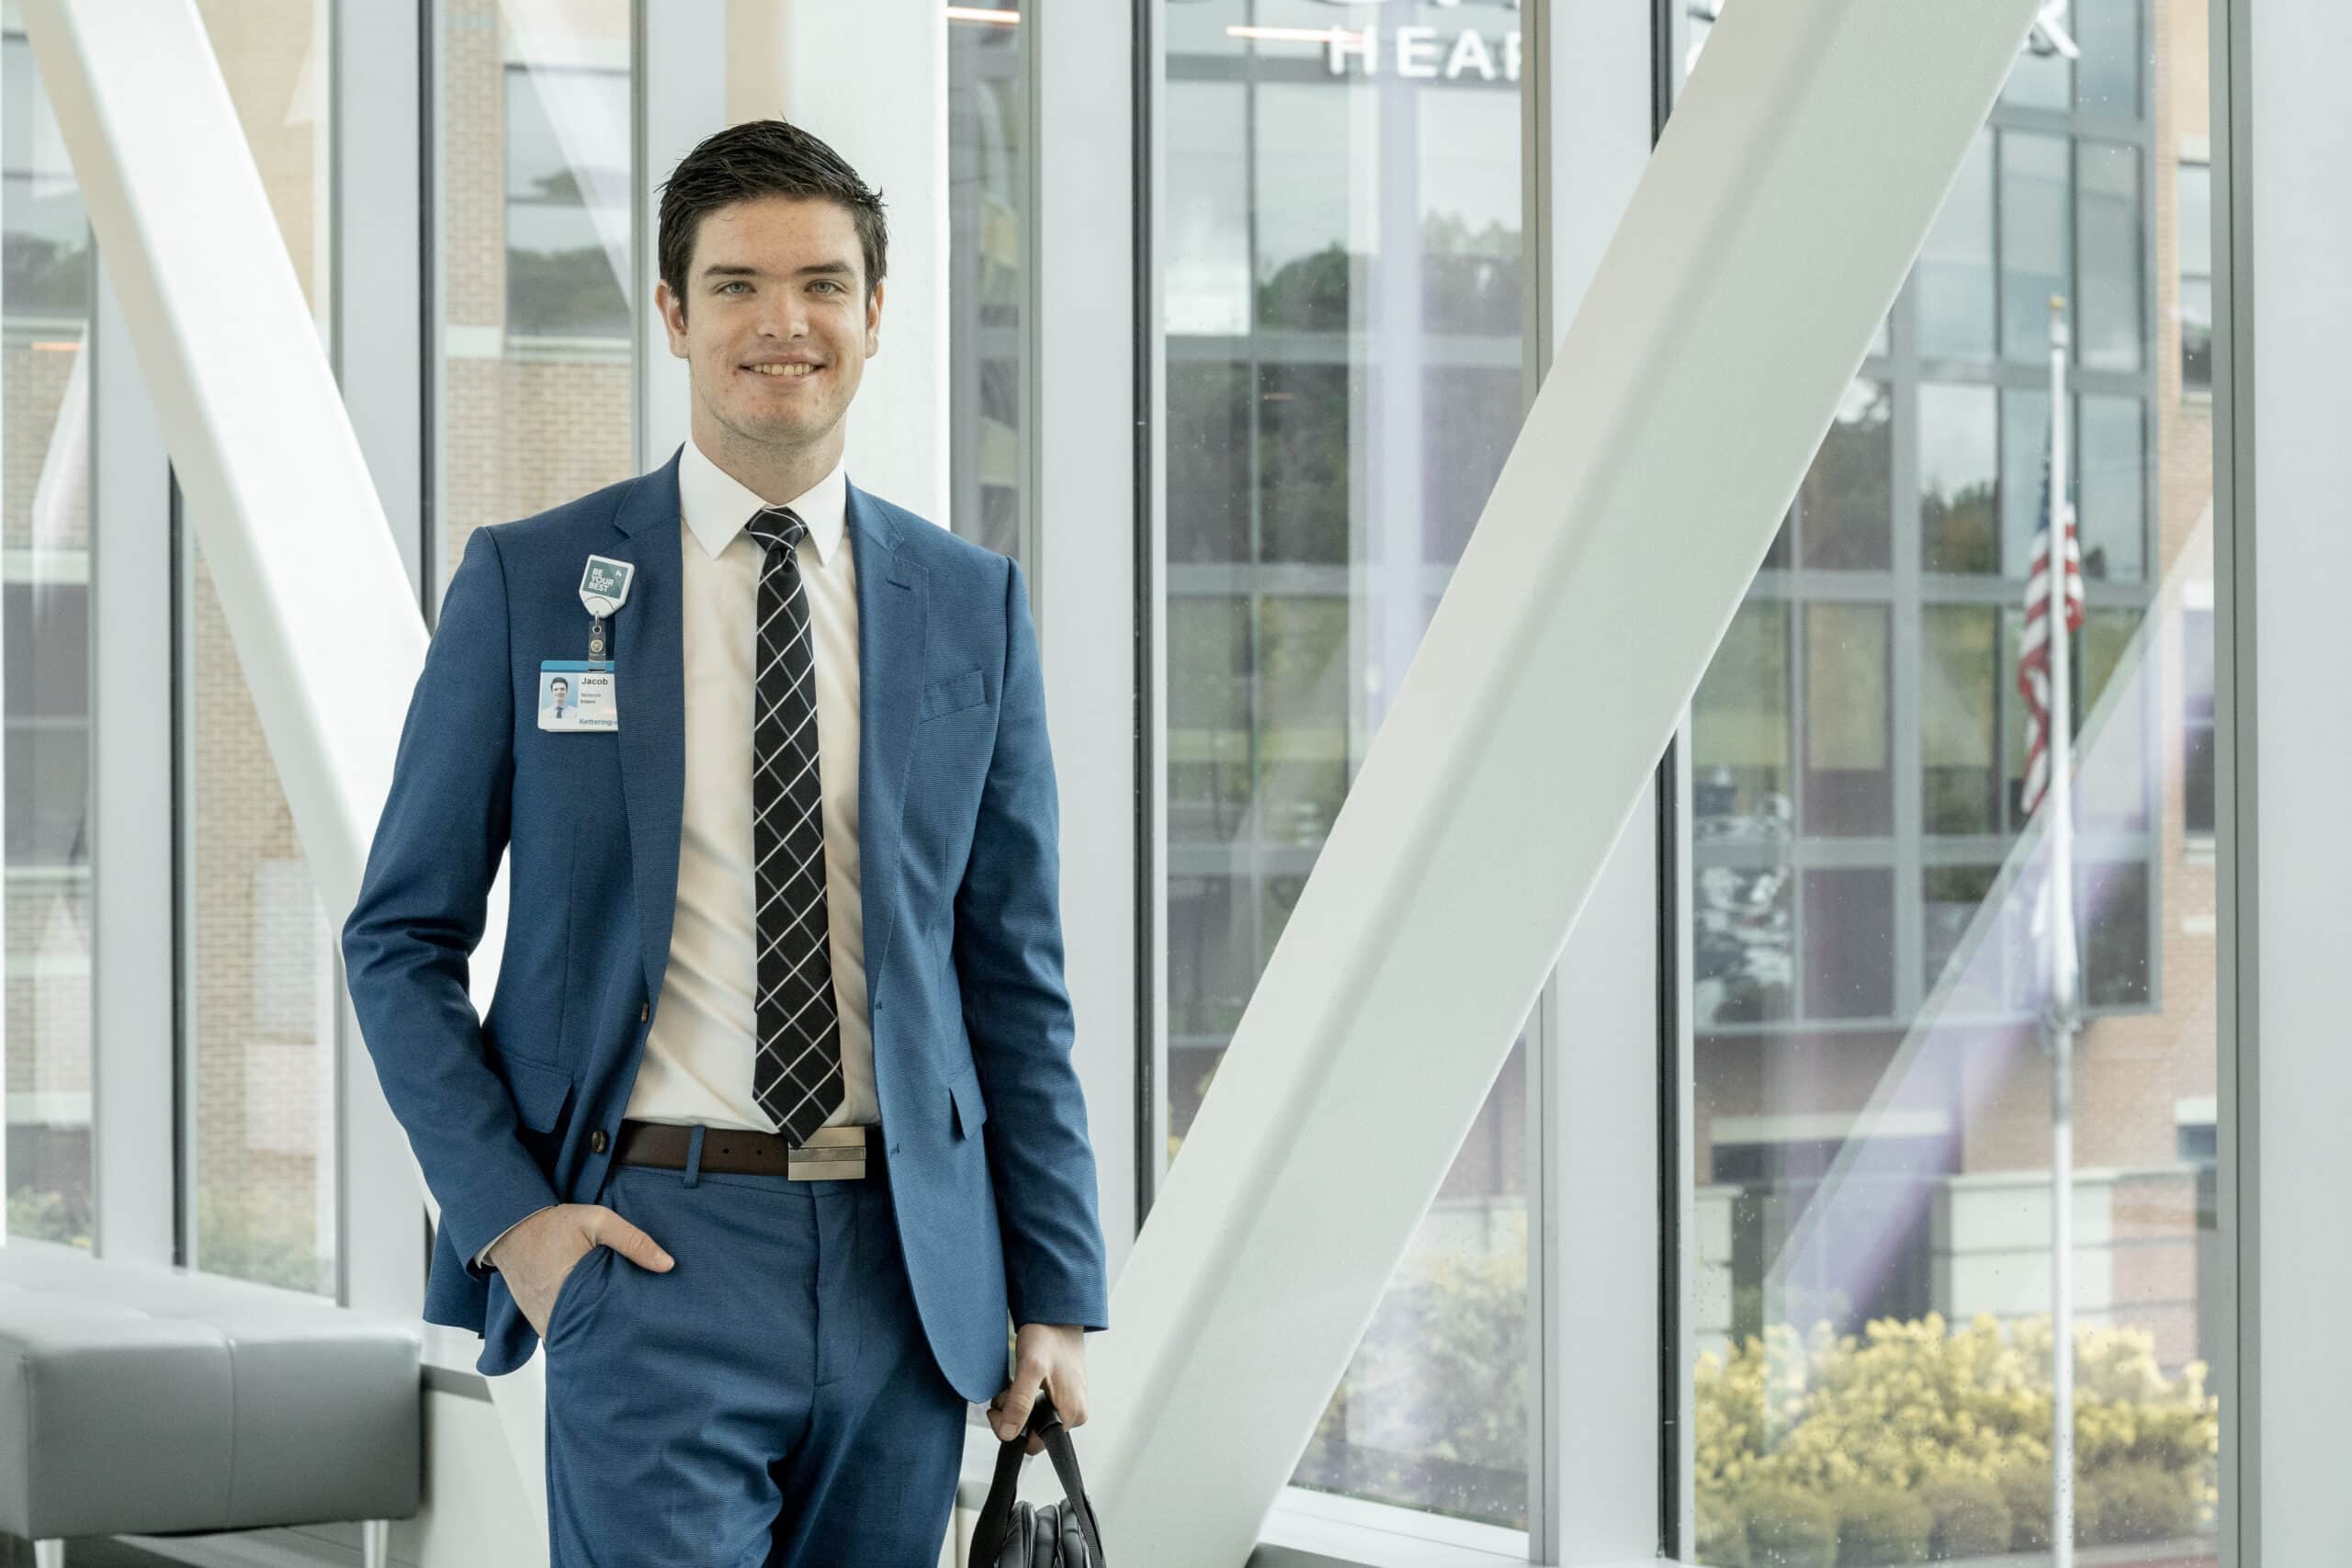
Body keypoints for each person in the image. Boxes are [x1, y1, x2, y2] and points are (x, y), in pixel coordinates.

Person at [341, 118, 1108, 1565]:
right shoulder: (533, 583)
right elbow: (398, 939)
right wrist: (518, 1226)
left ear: (876, 315)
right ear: (676, 313)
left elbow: (1015, 971)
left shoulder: (970, 602)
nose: (785, 322)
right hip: (652, 1253)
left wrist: (1054, 1287)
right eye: (742, 285)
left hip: (908, 1274)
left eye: (824, 283)